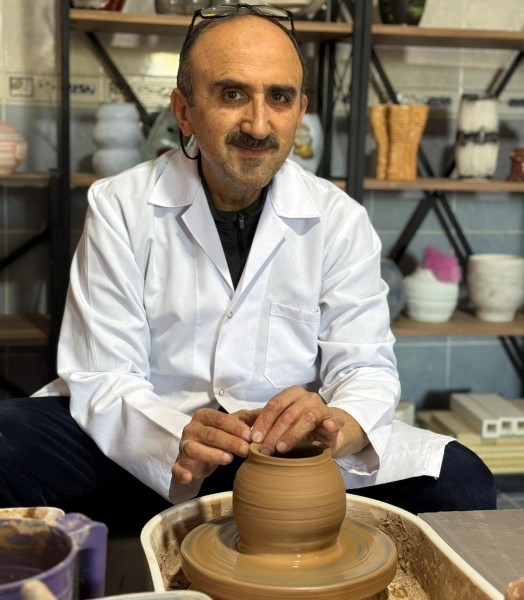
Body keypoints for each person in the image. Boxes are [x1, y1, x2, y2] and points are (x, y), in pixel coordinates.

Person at [0, 4, 496, 531]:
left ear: (299, 111)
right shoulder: (120, 205)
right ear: (185, 111)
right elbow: (104, 374)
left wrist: (337, 425)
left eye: (278, 97)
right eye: (232, 94)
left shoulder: (339, 219)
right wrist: (175, 438)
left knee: (462, 481)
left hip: (292, 455)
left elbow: (366, 369)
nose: (258, 124)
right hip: (156, 447)